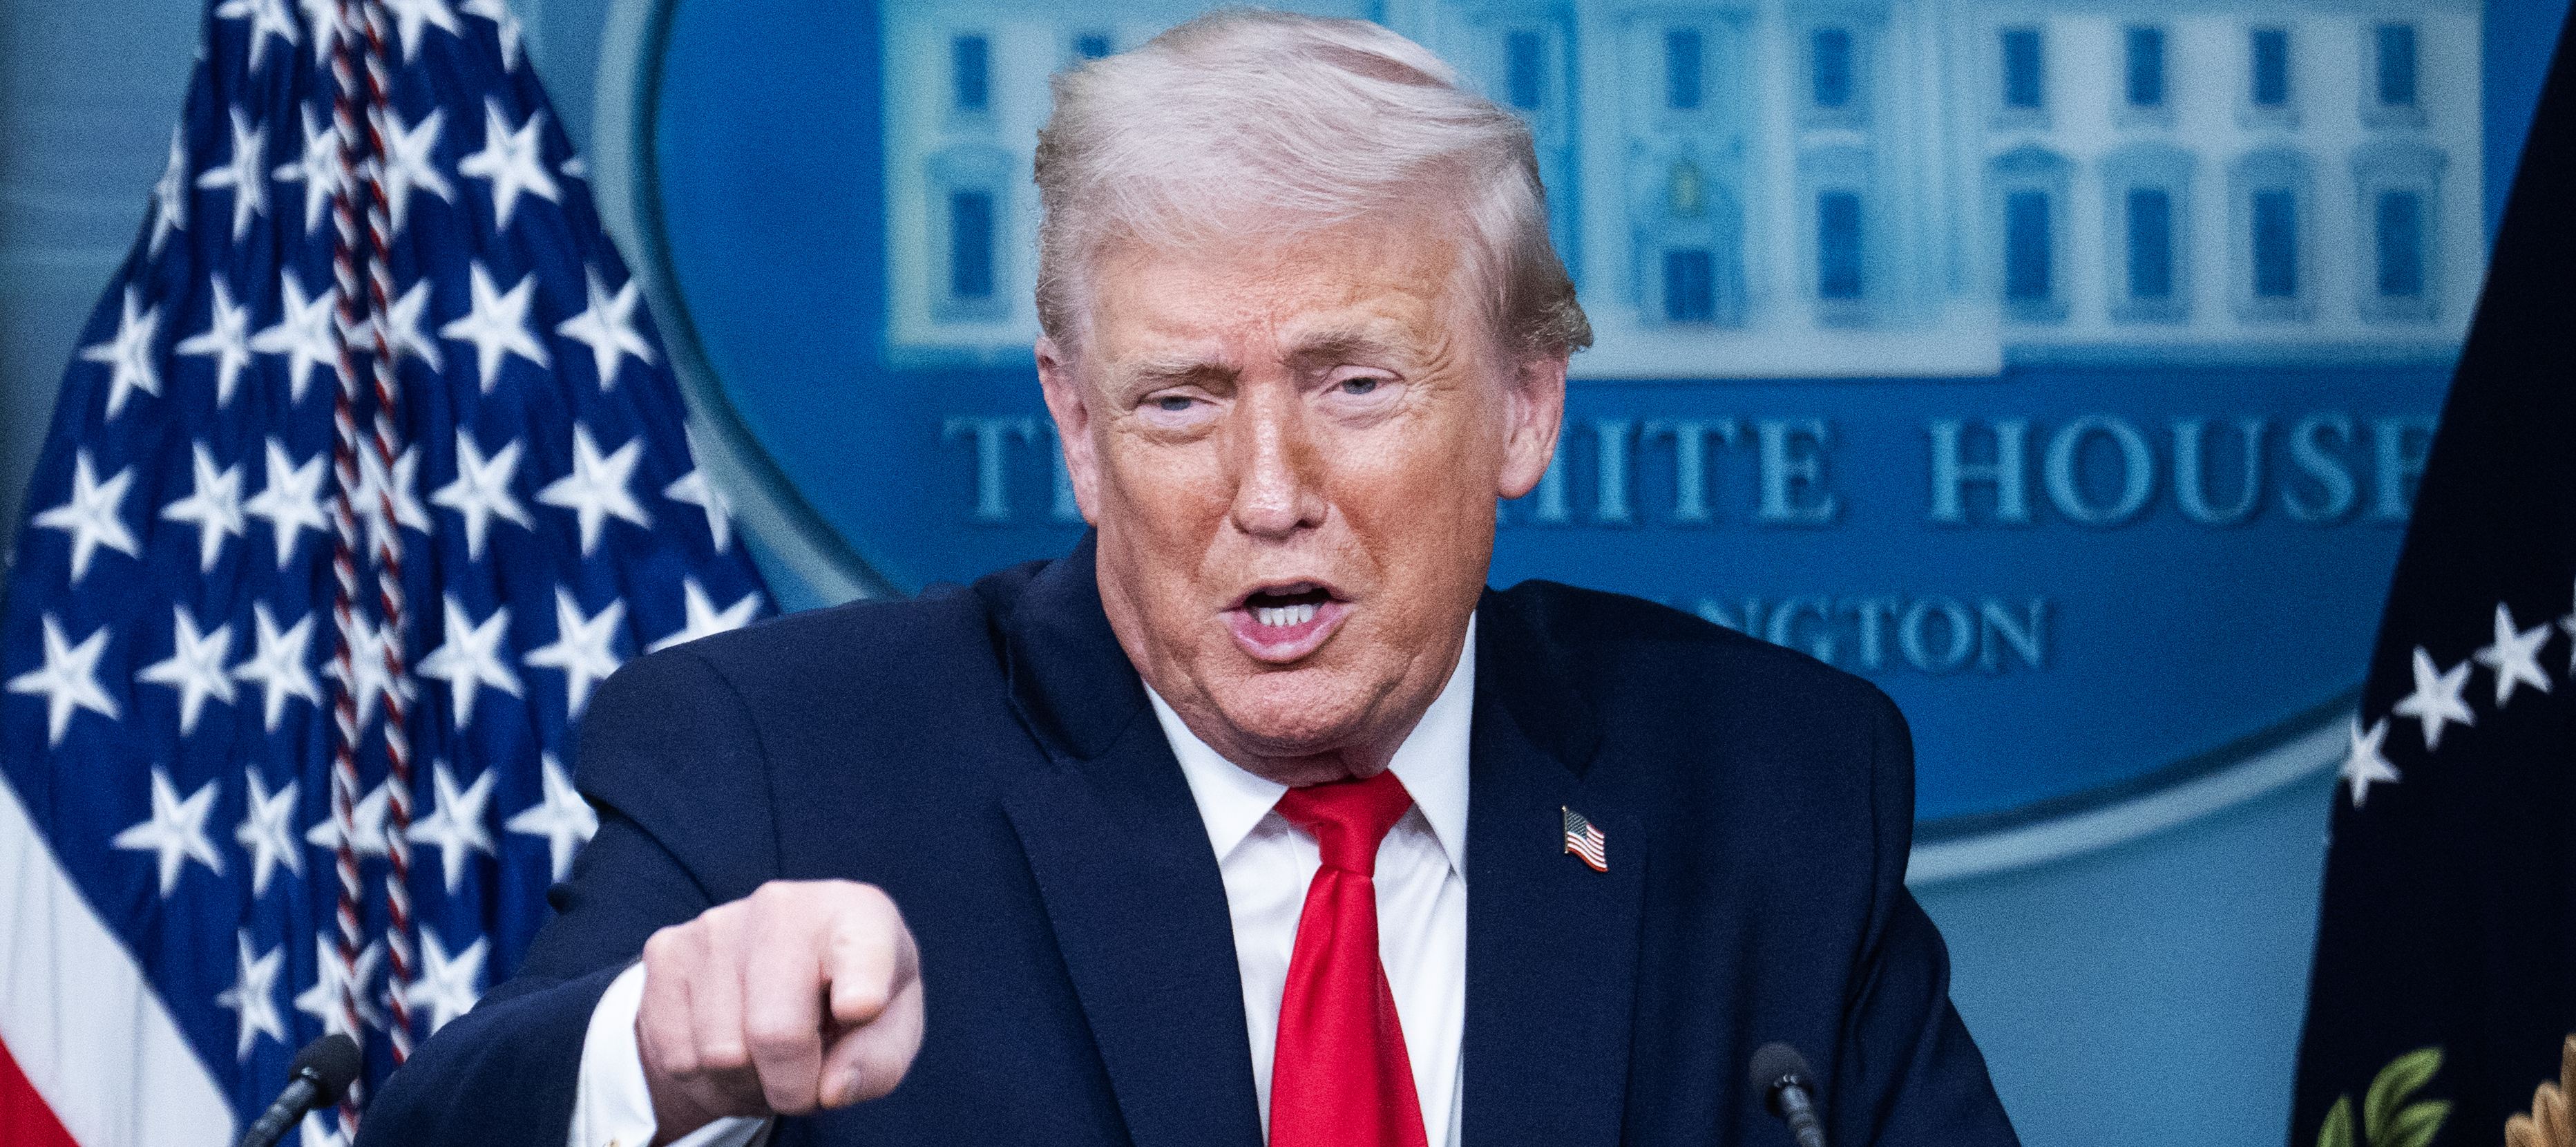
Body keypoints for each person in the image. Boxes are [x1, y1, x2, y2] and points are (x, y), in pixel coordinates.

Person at [359, 11, 2018, 1147]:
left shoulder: (1770, 782)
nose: (1269, 492)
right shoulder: (796, 759)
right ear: (1075, 432)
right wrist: (658, 1056)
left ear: (1523, 406)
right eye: (1179, 400)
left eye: (1353, 382)